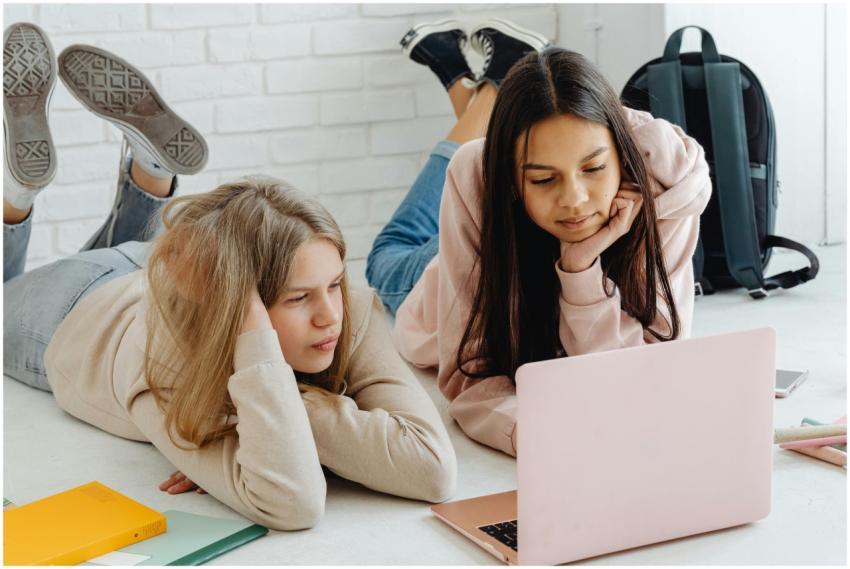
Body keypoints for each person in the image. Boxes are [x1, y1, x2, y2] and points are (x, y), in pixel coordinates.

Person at [3, 22, 456, 531]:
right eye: (299, 298)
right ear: (243, 305)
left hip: (157, 260)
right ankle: (15, 197)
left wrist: (263, 419)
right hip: (74, 307)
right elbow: (294, 503)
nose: (331, 314)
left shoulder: (344, 305)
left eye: (333, 283)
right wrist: (264, 422)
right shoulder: (172, 363)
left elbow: (432, 471)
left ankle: (147, 172)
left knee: (143, 251)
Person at [367, 19, 712, 457]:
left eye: (593, 169)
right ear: (514, 181)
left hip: (520, 206)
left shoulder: (667, 190)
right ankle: (491, 96)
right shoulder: (478, 179)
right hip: (478, 248)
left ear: (622, 157)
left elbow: (638, 375)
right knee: (384, 259)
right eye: (544, 178)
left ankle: (490, 94)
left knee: (490, 156)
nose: (575, 200)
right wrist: (545, 438)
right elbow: (470, 381)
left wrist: (582, 268)